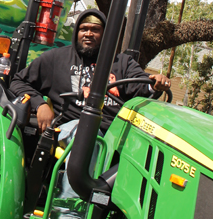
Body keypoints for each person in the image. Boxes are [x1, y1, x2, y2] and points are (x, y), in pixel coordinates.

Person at [9, 9, 170, 134]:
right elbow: (18, 81)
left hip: (115, 132)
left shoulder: (123, 63)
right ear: (76, 33)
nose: (88, 34)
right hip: (72, 128)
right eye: (83, 29)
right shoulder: (56, 59)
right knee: (84, 135)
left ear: (105, 35)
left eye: (95, 30)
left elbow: (141, 85)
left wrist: (154, 84)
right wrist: (40, 104)